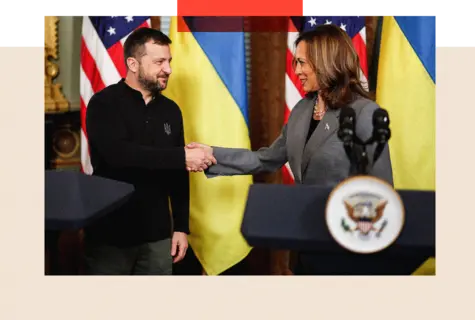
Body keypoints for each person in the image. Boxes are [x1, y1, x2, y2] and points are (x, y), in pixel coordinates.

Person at [186, 25, 394, 275]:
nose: (296, 71)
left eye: (302, 63)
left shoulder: (363, 113)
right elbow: (266, 159)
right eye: (295, 63)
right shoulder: (302, 110)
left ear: (325, 61)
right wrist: (211, 154)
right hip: (304, 240)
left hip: (345, 245)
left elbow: (382, 189)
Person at [84, 27, 216, 275]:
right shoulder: (103, 103)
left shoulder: (171, 110)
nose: (168, 69)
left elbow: (178, 174)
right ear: (133, 64)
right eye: (159, 62)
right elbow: (118, 156)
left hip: (157, 236)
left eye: (169, 61)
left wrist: (181, 227)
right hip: (110, 234)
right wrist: (181, 157)